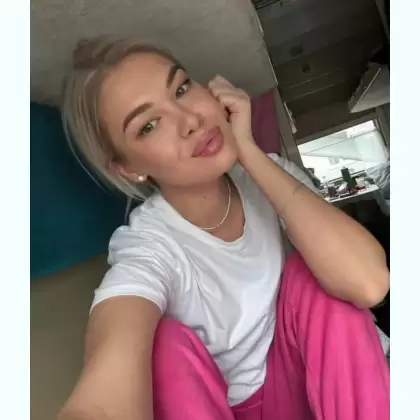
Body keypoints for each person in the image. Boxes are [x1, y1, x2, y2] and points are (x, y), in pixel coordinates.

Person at [58, 37, 390, 420]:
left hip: (322, 382)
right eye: (149, 125)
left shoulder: (269, 175)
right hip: (227, 408)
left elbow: (369, 284)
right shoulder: (148, 245)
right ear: (129, 168)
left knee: (316, 272)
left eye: (181, 88)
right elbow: (111, 366)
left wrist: (247, 150)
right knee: (161, 345)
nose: (191, 121)